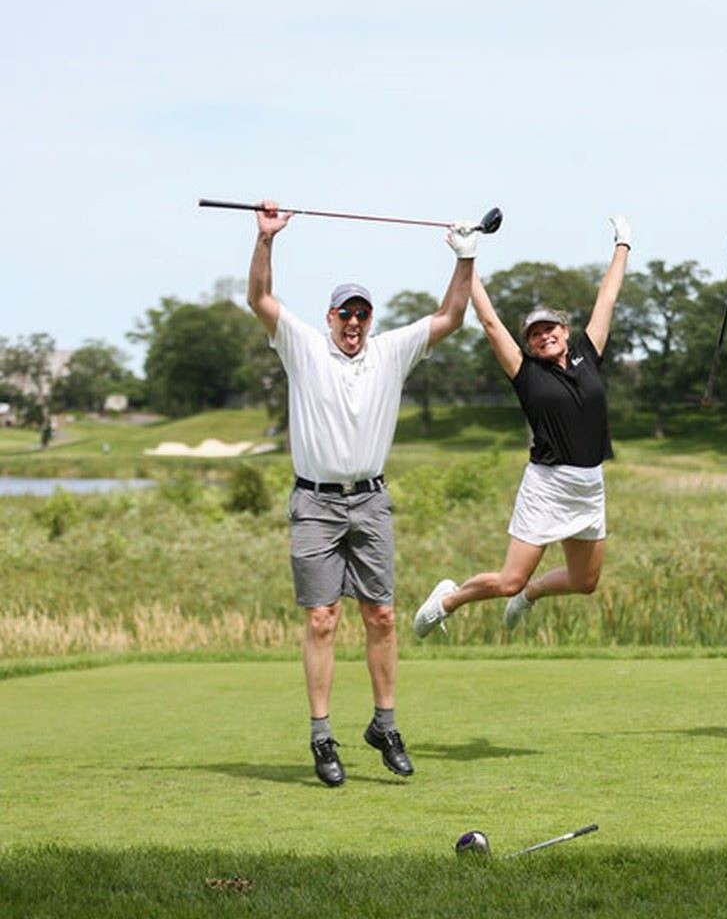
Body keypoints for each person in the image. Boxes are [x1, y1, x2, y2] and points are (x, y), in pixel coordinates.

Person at [247, 201, 474, 786]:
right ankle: (323, 736)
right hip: (315, 503)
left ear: (370, 320)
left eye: (362, 316)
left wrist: (465, 255)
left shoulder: (390, 351)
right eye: (345, 314)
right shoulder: (302, 345)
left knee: (382, 615)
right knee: (322, 619)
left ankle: (385, 725)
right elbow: (261, 301)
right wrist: (267, 239)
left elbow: (452, 316)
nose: (354, 324)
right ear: (329, 317)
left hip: (370, 500)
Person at [414, 216, 631, 638]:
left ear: (565, 332)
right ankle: (447, 599)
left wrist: (623, 244)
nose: (543, 335)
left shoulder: (588, 353)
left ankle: (529, 595)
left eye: (550, 328)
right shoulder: (525, 372)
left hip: (590, 485)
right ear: (529, 343)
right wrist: (467, 257)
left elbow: (607, 298)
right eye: (535, 333)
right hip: (548, 486)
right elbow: (491, 322)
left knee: (585, 582)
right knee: (507, 578)